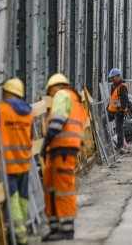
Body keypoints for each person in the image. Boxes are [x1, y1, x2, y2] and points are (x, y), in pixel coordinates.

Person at [0, 78, 33, 245]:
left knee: (13, 199)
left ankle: (20, 237)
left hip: (7, 163)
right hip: (24, 160)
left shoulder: (1, 109)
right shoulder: (29, 111)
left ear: (7, 93)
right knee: (23, 198)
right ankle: (23, 229)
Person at [40, 72, 88, 242]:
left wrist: (45, 144)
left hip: (62, 150)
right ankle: (55, 227)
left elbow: (57, 122)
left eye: (50, 92)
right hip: (62, 150)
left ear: (55, 87)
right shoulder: (76, 101)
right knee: (51, 187)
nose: (51, 96)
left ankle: (66, 229)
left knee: (63, 188)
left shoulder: (62, 95)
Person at [106, 68, 129, 151]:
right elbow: (113, 99)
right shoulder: (114, 85)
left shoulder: (122, 86)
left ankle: (120, 146)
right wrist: (108, 109)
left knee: (119, 128)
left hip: (119, 112)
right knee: (103, 121)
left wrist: (120, 110)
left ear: (118, 76)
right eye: (110, 77)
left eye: (112, 77)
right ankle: (106, 142)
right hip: (112, 111)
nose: (111, 79)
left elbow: (125, 101)